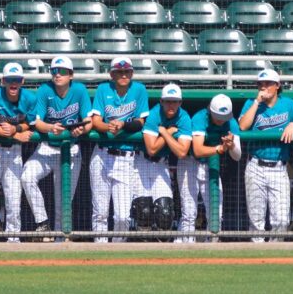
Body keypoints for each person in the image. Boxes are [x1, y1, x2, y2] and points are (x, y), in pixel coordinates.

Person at [24, 56, 92, 237]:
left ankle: (60, 244)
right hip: (47, 147)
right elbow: (37, 123)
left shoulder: (79, 90)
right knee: (26, 176)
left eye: (62, 71)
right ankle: (42, 221)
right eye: (54, 71)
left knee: (63, 202)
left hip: (71, 149)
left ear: (71, 75)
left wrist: (81, 130)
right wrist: (50, 128)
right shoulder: (44, 90)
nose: (57, 74)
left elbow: (89, 122)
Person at [239, 69, 293, 242]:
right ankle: (258, 257)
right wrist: (256, 102)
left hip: (279, 167)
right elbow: (243, 127)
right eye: (261, 84)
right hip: (256, 165)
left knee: (282, 220)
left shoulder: (289, 104)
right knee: (256, 220)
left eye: (268, 84)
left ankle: (274, 254)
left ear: (277, 86)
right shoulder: (251, 103)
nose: (264, 87)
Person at [89, 57, 149, 242]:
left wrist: (122, 124)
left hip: (125, 157)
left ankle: (116, 251)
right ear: (112, 74)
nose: (123, 75)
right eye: (119, 72)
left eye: (127, 72)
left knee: (123, 216)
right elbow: (96, 121)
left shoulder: (138, 89)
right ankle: (99, 253)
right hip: (102, 154)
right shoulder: (103, 89)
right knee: (100, 213)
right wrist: (110, 127)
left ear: (131, 73)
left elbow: (141, 121)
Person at [0, 62, 36, 242]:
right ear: (3, 80)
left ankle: (13, 239)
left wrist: (15, 129)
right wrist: (6, 133)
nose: (13, 83)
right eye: (10, 79)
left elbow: (31, 124)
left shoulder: (29, 98)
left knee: (14, 198)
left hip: (14, 151)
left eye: (16, 80)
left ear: (22, 81)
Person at [179, 93, 241, 242]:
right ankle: (186, 250)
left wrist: (231, 146)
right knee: (189, 213)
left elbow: (237, 156)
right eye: (218, 116)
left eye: (223, 117)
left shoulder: (231, 122)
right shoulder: (200, 118)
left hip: (211, 166)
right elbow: (198, 150)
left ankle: (212, 248)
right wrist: (220, 148)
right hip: (190, 163)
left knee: (216, 213)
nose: (221, 120)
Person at [138, 82, 191, 236]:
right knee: (143, 212)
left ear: (180, 102)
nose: (171, 105)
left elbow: (182, 152)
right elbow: (152, 149)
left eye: (174, 101)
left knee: (165, 211)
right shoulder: (155, 114)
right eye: (167, 101)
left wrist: (165, 133)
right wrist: (170, 132)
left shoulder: (184, 117)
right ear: (161, 101)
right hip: (141, 162)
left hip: (162, 164)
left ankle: (163, 253)